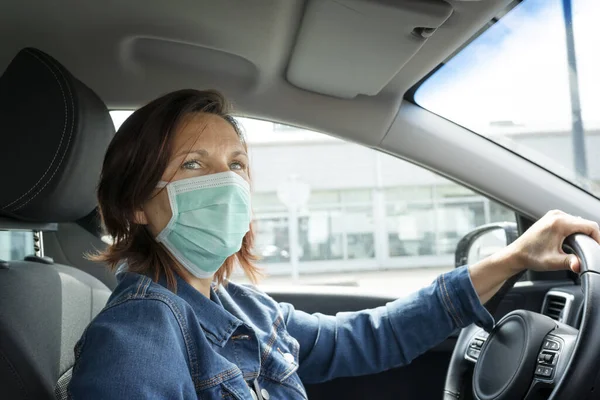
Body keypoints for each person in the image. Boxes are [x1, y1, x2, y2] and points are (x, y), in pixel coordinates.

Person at [68, 89, 600, 399]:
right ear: (137, 204)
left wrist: (512, 259)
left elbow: (368, 337)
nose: (227, 183)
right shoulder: (136, 334)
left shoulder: (232, 303)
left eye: (236, 165)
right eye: (192, 164)